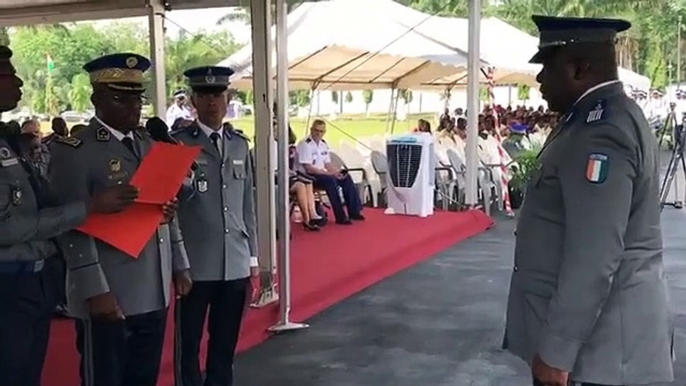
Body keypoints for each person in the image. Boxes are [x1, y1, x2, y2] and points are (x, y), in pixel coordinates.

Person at [503, 15, 674, 386]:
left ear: (580, 67)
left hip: (600, 357)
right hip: (601, 352)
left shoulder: (601, 132)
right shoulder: (591, 119)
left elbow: (594, 255)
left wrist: (557, 350)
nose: (539, 79)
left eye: (547, 66)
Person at [49, 53, 193, 386]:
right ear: (96, 99)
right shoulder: (76, 150)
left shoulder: (147, 143)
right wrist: (93, 288)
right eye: (120, 98)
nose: (132, 106)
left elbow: (164, 206)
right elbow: (70, 226)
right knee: (106, 378)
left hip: (153, 285)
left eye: (136, 98)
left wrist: (180, 264)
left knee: (143, 377)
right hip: (110, 290)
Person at [0, 46, 140, 386]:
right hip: (8, 286)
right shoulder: (73, 151)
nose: (18, 80)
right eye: (7, 72)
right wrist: (89, 206)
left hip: (34, 283)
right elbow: (6, 229)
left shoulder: (8, 140)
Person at [171, 66, 258, 386]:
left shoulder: (238, 144)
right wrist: (177, 263)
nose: (212, 102)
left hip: (233, 260)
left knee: (225, 343)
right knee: (188, 344)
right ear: (193, 100)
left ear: (228, 98)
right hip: (194, 262)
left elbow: (247, 202)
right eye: (204, 95)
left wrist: (253, 257)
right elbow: (170, 207)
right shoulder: (177, 144)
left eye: (218, 95)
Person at [296, 119, 364, 225]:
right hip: (308, 176)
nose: (318, 133)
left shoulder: (323, 144)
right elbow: (308, 168)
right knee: (330, 181)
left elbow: (327, 164)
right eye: (316, 130)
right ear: (311, 130)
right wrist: (329, 174)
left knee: (345, 177)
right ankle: (340, 216)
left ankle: (354, 211)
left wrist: (336, 172)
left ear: (324, 132)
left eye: (321, 131)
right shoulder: (305, 144)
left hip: (322, 173)